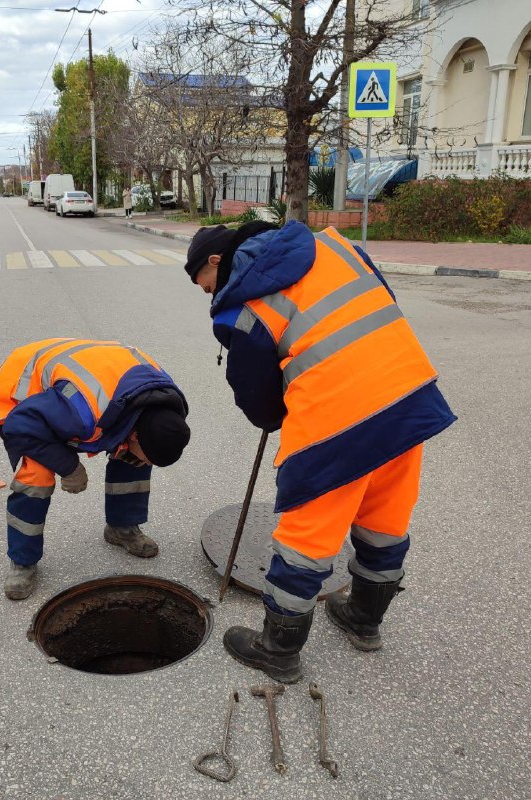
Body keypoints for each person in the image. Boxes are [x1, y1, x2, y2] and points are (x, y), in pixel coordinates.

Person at [185, 220, 456, 682]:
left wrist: (274, 415)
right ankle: (364, 621)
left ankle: (278, 649)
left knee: (305, 537)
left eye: (205, 285)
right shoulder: (334, 246)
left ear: (216, 261)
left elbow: (253, 393)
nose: (209, 295)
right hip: (406, 394)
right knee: (385, 518)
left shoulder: (248, 303)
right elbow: (379, 300)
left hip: (338, 421)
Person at [0, 338, 191, 600]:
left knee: (132, 457)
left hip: (93, 379)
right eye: (151, 458)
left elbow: (142, 439)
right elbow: (21, 426)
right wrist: (69, 466)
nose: (150, 463)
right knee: (36, 476)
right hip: (24, 394)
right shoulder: (81, 411)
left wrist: (140, 454)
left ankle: (121, 527)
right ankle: (22, 562)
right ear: (136, 435)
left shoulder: (165, 404)